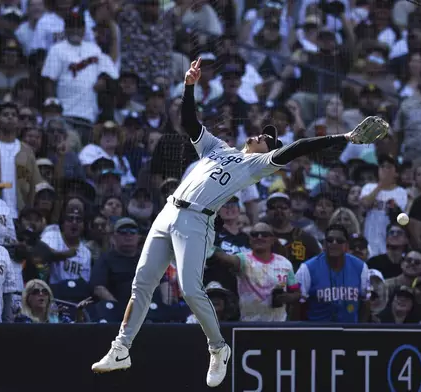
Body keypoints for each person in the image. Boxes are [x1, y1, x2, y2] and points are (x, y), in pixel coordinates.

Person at [91, 58, 389, 387]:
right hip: (168, 213)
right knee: (140, 286)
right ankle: (121, 348)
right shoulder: (218, 148)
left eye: (269, 138)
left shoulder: (258, 164)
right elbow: (190, 122)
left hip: (196, 222)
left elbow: (299, 148)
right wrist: (189, 85)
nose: (262, 135)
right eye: (264, 134)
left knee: (191, 290)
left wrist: (343, 136)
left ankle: (218, 349)